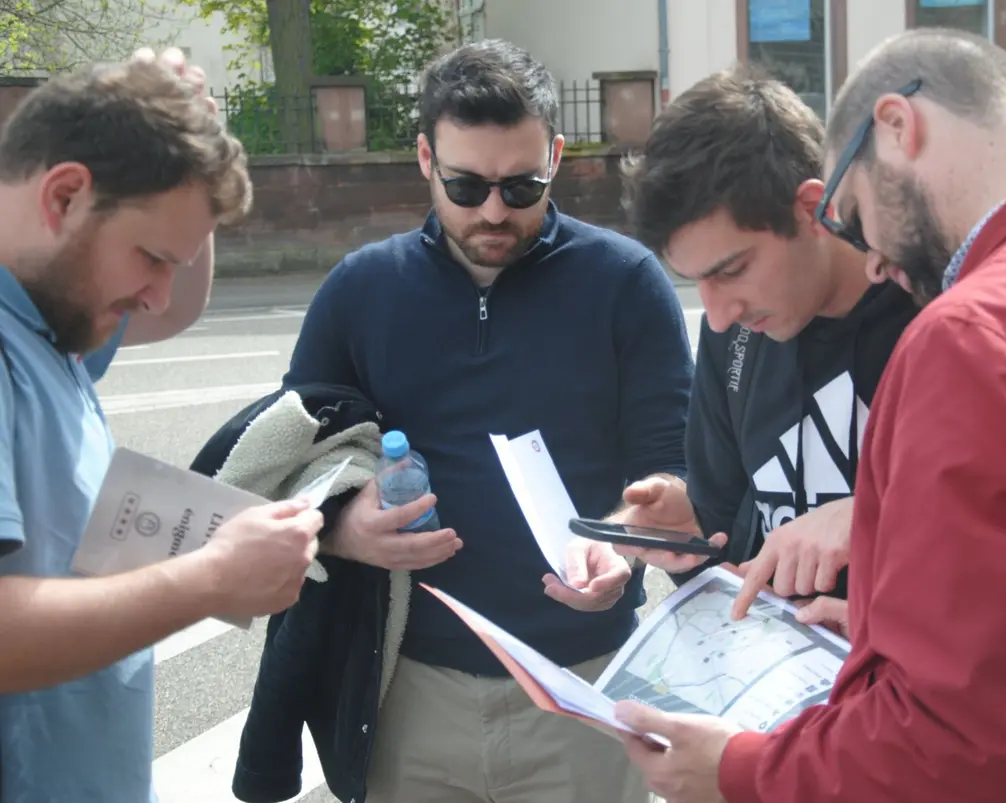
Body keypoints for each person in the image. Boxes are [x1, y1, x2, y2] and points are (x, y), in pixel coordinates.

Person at [613, 27, 1006, 803]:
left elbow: (951, 749)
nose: (878, 258)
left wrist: (735, 769)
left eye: (853, 212)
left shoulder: (974, 332)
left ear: (898, 126)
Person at [280, 39, 693, 803]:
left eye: (523, 184)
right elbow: (290, 470)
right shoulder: (361, 289)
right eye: (467, 185)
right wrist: (342, 530)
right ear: (425, 159)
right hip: (407, 687)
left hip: (584, 686)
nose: (495, 211)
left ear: (558, 156)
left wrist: (622, 551)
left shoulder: (626, 283)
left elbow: (674, 464)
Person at [0, 50, 324, 802]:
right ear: (65, 196)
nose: (156, 296)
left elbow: (176, 306)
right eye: (151, 256)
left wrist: (194, 136)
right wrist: (212, 576)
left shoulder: (47, 317)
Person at [596, 65, 916, 625]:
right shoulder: (737, 335)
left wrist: (870, 515)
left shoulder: (933, 316)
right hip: (768, 689)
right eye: (696, 282)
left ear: (813, 208)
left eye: (733, 270)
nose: (717, 317)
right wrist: (687, 537)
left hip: (908, 689)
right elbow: (724, 531)